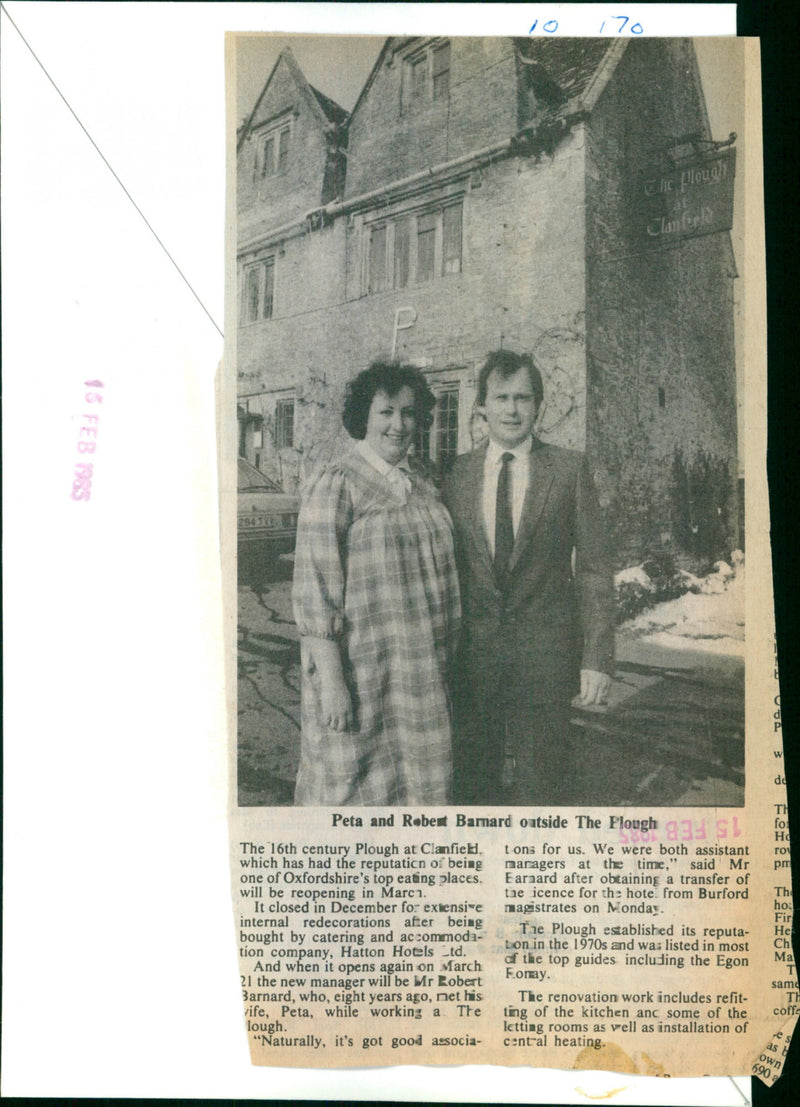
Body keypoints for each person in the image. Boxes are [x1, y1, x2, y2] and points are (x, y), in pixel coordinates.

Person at [443, 349, 614, 805]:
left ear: (538, 405)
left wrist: (596, 656)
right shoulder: (456, 474)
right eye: (501, 398)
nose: (512, 409)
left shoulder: (568, 469)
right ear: (481, 406)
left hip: (547, 661)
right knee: (473, 788)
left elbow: (595, 569)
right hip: (473, 661)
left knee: (542, 789)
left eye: (523, 397)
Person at [292, 361, 461, 805]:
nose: (398, 424)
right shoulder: (336, 484)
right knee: (357, 795)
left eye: (408, 413)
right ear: (363, 417)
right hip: (363, 677)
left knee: (418, 796)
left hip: (421, 676)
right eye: (385, 412)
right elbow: (315, 590)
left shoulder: (423, 482)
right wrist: (332, 684)